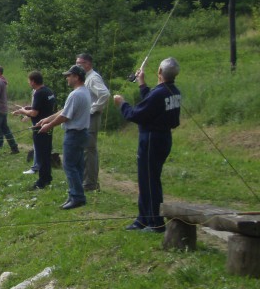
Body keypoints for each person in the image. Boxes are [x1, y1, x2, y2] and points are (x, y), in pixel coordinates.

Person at [114, 57, 182, 232]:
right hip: (163, 138)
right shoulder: (173, 91)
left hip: (151, 139)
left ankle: (155, 222)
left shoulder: (160, 93)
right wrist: (142, 83)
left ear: (159, 72)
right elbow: (152, 104)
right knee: (147, 179)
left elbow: (136, 114)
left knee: (149, 181)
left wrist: (122, 104)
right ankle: (143, 219)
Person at [35, 65, 92, 209]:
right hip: (82, 133)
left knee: (69, 166)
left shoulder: (76, 94)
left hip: (74, 134)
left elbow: (65, 116)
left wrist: (49, 126)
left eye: (69, 75)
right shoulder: (83, 92)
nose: (67, 78)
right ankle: (75, 195)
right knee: (77, 166)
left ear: (76, 77)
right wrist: (46, 119)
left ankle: (77, 197)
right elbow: (64, 110)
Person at [14, 70, 56, 190]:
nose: (28, 83)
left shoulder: (38, 93)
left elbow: (34, 112)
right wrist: (27, 108)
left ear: (33, 81)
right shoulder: (48, 91)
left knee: (41, 154)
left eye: (29, 80)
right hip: (49, 125)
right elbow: (43, 107)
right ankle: (47, 177)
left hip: (40, 127)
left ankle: (42, 181)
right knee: (46, 152)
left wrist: (23, 111)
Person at [76, 53, 110, 192]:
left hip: (92, 117)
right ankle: (87, 180)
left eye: (80, 63)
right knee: (86, 149)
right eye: (76, 63)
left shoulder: (93, 78)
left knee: (89, 150)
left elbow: (105, 94)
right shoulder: (87, 78)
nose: (77, 66)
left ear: (88, 64)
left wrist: (92, 109)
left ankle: (90, 183)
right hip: (87, 117)